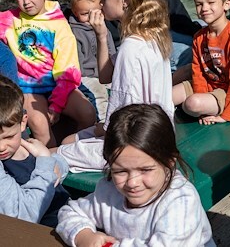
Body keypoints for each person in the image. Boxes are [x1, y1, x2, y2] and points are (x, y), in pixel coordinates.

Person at [57, 0, 174, 172]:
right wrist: (101, 36)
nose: (100, 4)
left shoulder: (132, 48)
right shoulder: (151, 33)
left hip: (134, 145)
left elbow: (126, 115)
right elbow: (106, 77)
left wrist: (104, 129)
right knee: (68, 141)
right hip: (155, 133)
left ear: (125, 1)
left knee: (56, 152)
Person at [56, 104, 216, 246]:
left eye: (145, 170)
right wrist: (84, 236)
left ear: (169, 161)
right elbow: (70, 212)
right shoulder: (109, 192)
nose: (132, 182)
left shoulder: (180, 199)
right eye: (120, 171)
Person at [0, 0, 96, 147]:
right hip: (28, 87)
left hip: (56, 84)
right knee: (38, 123)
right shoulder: (9, 19)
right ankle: (51, 162)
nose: (26, 2)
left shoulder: (58, 24)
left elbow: (68, 70)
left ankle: (74, 153)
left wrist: (56, 106)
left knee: (88, 113)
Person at [0, 75, 69, 226]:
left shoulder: (27, 147)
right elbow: (24, 216)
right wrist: (46, 165)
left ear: (23, 122)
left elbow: (59, 166)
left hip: (67, 216)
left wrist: (52, 164)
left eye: (9, 137)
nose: (2, 147)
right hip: (40, 229)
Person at [68, 0, 116, 122]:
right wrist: (96, 75)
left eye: (96, 13)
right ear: (75, 12)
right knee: (99, 92)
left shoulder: (104, 28)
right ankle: (102, 121)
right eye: (85, 14)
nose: (91, 18)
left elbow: (112, 52)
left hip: (105, 72)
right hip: (87, 75)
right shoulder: (75, 33)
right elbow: (77, 63)